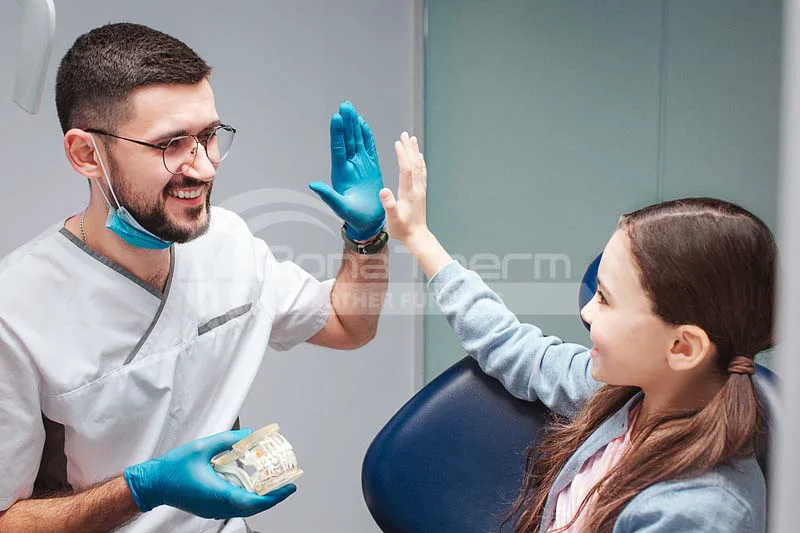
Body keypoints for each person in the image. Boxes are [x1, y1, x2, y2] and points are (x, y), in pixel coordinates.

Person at [0, 23, 390, 533]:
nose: (204, 168)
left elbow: (347, 324)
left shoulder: (227, 242)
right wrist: (142, 488)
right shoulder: (16, 313)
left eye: (208, 136)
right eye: (171, 144)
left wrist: (367, 236)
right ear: (86, 155)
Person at [382, 132, 772, 532]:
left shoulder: (701, 514)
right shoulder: (628, 394)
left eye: (604, 298)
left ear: (682, 346)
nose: (586, 311)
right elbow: (515, 347)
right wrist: (417, 237)